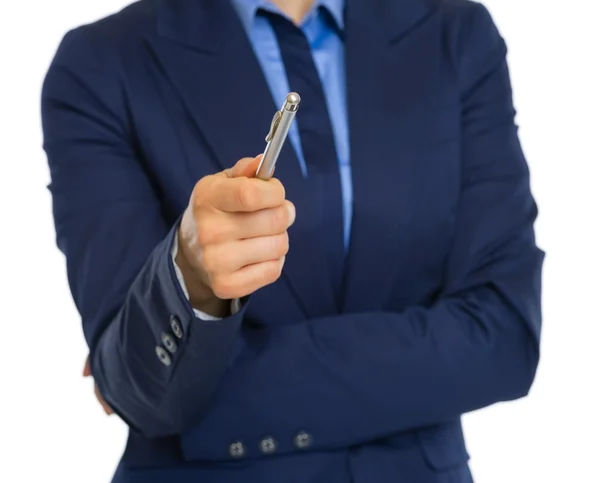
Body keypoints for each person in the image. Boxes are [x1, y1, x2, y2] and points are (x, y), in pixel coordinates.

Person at [41, 0, 544, 481]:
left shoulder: (456, 37)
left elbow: (504, 337)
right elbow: (139, 387)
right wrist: (188, 274)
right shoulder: (103, 63)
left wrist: (197, 373)